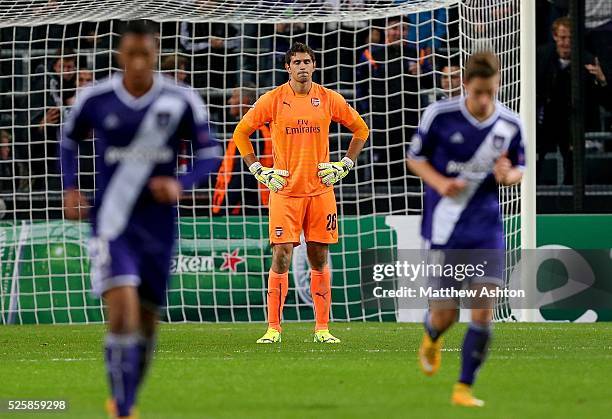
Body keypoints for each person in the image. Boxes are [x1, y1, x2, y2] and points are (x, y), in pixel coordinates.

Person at [60, 21, 220, 419]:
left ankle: (126, 396)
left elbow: (210, 153)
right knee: (122, 313)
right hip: (112, 224)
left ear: (155, 54)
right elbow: (68, 140)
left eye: (144, 55)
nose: (137, 63)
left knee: (147, 323)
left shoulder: (179, 99)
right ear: (119, 55)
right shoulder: (95, 98)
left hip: (158, 226)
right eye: (130, 54)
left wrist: (182, 184)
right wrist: (70, 187)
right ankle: (124, 408)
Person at [407, 51, 525, 407]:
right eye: (478, 93)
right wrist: (440, 183)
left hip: (486, 227)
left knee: (483, 310)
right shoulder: (440, 116)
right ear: (465, 87)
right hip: (445, 227)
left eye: (490, 92)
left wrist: (509, 176)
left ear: (497, 85)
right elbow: (415, 158)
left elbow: (520, 168)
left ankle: (463, 389)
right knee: (446, 314)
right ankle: (431, 335)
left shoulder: (510, 124)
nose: (484, 100)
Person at [233, 42, 369, 344]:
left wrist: (345, 164)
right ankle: (273, 328)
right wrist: (257, 169)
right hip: (284, 192)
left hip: (321, 192)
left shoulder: (329, 98)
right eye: (297, 62)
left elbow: (361, 129)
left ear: (315, 65)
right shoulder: (273, 99)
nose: (302, 67)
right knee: (281, 256)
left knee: (319, 257)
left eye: (307, 61)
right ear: (287, 67)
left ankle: (322, 328)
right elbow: (241, 132)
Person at [536, 16, 610, 184]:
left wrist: (602, 80)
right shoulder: (539, 57)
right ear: (555, 36)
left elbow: (605, 101)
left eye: (571, 38)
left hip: (574, 124)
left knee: (574, 169)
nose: (566, 42)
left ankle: (572, 203)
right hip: (544, 121)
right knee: (535, 161)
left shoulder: (589, 61)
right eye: (562, 37)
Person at [212, 84, 273, 215]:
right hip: (253, 203)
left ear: (244, 101)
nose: (229, 101)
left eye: (234, 97)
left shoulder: (253, 132)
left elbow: (245, 176)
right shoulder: (252, 130)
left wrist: (224, 208)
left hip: (250, 208)